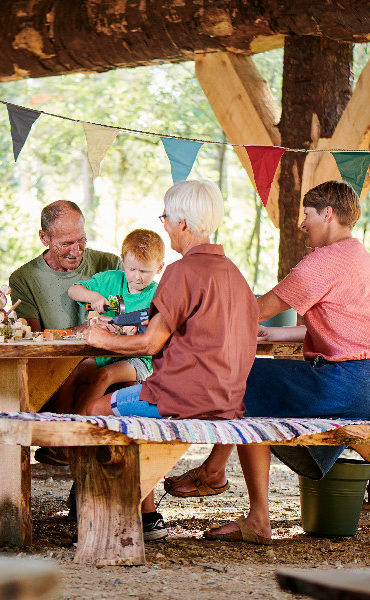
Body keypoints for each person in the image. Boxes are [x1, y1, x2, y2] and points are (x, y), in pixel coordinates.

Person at [165, 180, 370, 546]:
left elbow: (254, 310)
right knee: (254, 392)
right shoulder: (359, 256)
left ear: (328, 214)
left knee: (241, 380)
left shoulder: (324, 260)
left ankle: (236, 495)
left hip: (354, 380)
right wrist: (272, 336)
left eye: (307, 214)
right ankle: (221, 479)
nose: (302, 223)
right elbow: (338, 328)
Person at [81, 180, 258, 541]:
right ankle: (140, 512)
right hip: (229, 398)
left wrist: (100, 338)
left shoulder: (180, 271)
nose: (163, 225)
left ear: (182, 223)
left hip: (182, 397)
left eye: (165, 217)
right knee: (128, 404)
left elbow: (150, 342)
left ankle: (103, 517)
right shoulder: (235, 274)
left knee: (93, 411)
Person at [59, 228, 165, 413]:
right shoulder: (111, 280)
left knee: (103, 375)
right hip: (105, 353)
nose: (137, 277)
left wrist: (135, 332)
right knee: (70, 374)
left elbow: (156, 338)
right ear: (122, 260)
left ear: (160, 268)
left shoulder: (159, 294)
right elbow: (73, 291)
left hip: (137, 360)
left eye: (145, 271)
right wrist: (94, 298)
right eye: (132, 269)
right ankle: (58, 430)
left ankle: (78, 426)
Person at [9, 200, 121, 332]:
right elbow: (34, 341)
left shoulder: (111, 264)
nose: (76, 252)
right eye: (66, 244)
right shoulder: (23, 279)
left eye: (81, 240)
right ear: (44, 238)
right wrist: (87, 328)